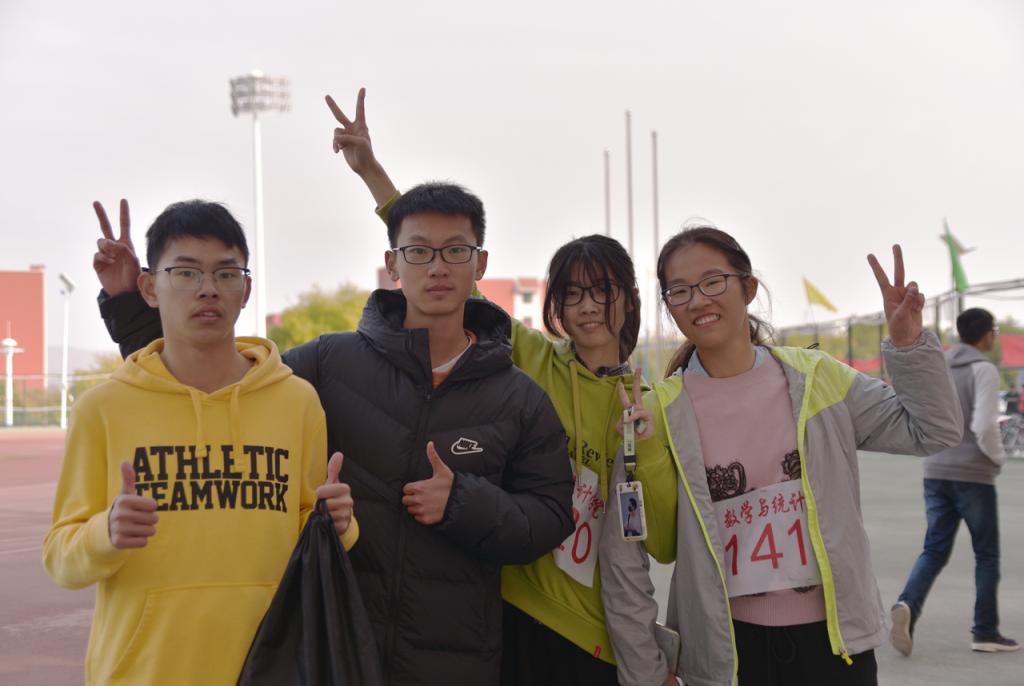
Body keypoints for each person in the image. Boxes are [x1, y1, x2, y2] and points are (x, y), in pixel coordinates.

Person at [90, 186, 574, 685]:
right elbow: (213, 381)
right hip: (334, 645)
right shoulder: (328, 363)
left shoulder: (520, 397)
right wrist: (131, 305)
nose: (437, 267)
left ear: (480, 263)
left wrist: (463, 502)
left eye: (455, 250)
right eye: (418, 251)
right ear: (393, 263)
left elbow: (551, 516)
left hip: (455, 659)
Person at [328, 88, 666, 685]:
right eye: (572, 294)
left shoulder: (653, 403)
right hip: (511, 608)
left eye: (603, 291)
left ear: (630, 299)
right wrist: (372, 174)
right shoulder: (531, 359)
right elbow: (445, 267)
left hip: (596, 631)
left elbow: (656, 534)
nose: (588, 307)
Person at [599, 225, 963, 686]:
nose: (698, 300)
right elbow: (623, 556)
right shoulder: (657, 412)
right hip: (728, 653)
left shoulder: (818, 379)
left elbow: (934, 430)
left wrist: (908, 344)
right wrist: (647, 672)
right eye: (680, 291)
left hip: (835, 648)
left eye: (713, 282)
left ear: (749, 288)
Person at [43, 200, 358, 685]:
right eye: (186, 273)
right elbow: (61, 557)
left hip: (272, 666)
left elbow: (305, 524)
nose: (207, 288)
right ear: (149, 287)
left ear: (245, 289)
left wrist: (339, 524)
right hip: (144, 672)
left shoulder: (296, 401)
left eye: (226, 273)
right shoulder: (103, 408)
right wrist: (106, 533)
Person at [892, 308, 1018, 655]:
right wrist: (998, 459)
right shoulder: (984, 369)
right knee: (987, 555)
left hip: (935, 469)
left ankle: (907, 604)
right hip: (973, 474)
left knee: (934, 549)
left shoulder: (942, 366)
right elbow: (983, 425)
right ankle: (985, 631)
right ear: (987, 334)